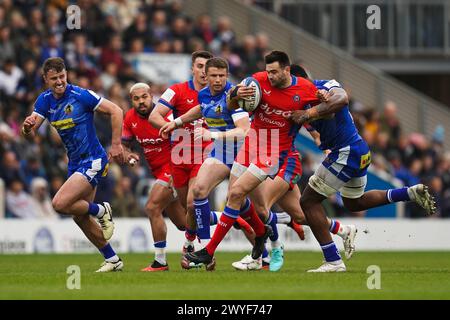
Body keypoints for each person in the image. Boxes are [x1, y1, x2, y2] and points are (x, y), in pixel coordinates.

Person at [288, 64, 436, 272]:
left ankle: (333, 261)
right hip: (357, 151)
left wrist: (308, 113)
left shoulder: (325, 86)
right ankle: (409, 192)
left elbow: (341, 99)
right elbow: (319, 126)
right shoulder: (302, 100)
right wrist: (321, 141)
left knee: (308, 201)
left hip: (347, 151)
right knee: (354, 203)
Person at [182, 51, 321, 269]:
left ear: (286, 70)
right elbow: (230, 103)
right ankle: (263, 236)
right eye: (268, 72)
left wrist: (313, 119)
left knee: (247, 199)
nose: (270, 76)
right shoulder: (258, 81)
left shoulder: (305, 89)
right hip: (250, 147)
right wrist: (236, 94)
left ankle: (211, 251)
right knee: (243, 202)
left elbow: (326, 110)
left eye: (275, 72)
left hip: (275, 152)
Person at [21, 57, 126, 272]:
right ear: (45, 79)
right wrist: (26, 129)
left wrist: (116, 144)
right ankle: (113, 260)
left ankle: (101, 210)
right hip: (75, 163)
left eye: (62, 76)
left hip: (93, 159)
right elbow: (33, 134)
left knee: (59, 204)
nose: (59, 82)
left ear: (66, 74)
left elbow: (117, 110)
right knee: (79, 216)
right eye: (54, 78)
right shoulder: (44, 101)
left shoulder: (81, 95)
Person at [160, 57, 255, 270]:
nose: (218, 80)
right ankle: (204, 250)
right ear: (206, 76)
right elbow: (201, 108)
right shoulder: (203, 94)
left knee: (250, 206)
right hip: (221, 153)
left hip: (243, 153)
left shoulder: (234, 97)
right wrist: (175, 122)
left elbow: (243, 130)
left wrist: (211, 134)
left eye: (222, 76)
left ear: (227, 76)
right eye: (213, 75)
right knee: (198, 192)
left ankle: (265, 249)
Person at [149, 51, 213, 259]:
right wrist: (170, 126)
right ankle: (231, 218)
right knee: (189, 209)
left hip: (205, 154)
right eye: (200, 66)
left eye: (207, 67)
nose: (204, 71)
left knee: (194, 202)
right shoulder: (176, 90)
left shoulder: (219, 93)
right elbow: (154, 115)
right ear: (192, 68)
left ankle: (198, 248)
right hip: (180, 155)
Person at [122, 82, 186, 272]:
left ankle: (160, 261)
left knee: (152, 207)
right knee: (184, 224)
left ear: (152, 97)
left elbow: (183, 140)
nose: (141, 102)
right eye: (136, 98)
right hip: (158, 172)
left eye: (144, 97)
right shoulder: (129, 118)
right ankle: (232, 218)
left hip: (174, 168)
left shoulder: (166, 115)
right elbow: (126, 146)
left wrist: (178, 169)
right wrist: (129, 155)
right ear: (131, 101)